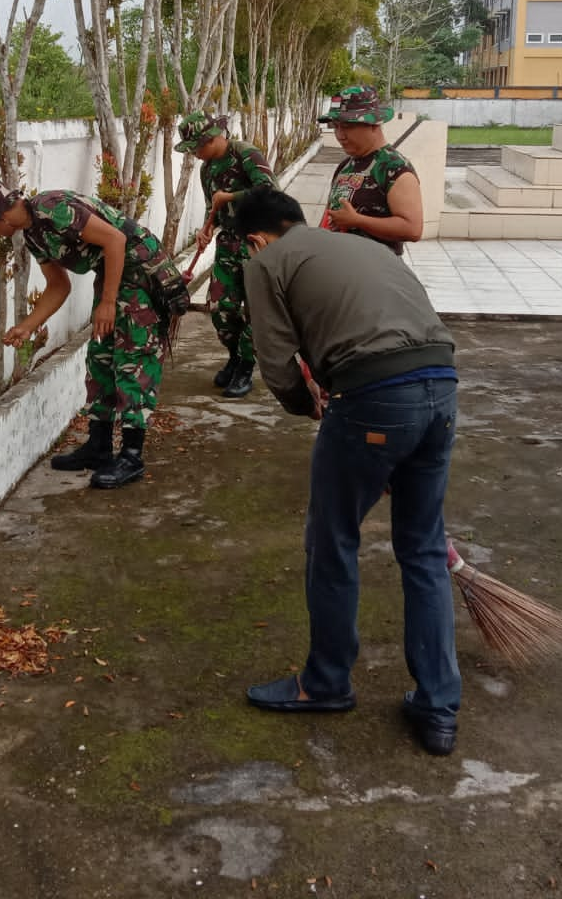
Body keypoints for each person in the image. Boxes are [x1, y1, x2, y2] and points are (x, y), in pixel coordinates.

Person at [234, 189, 462, 756]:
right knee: (424, 548)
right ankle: (438, 708)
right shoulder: (364, 247)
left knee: (332, 540)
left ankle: (326, 682)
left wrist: (303, 405)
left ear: (257, 237)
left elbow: (276, 360)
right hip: (442, 388)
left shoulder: (265, 262)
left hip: (375, 398)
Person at [0, 175, 188, 489]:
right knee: (101, 358)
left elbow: (115, 240)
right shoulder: (33, 235)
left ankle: (132, 455)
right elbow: (59, 286)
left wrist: (108, 303)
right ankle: (98, 446)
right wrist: (27, 327)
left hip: (140, 273)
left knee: (134, 361)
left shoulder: (52, 208)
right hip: (113, 276)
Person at [176, 110, 275, 398]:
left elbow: (269, 192)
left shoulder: (246, 154)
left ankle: (246, 366)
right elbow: (214, 209)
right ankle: (233, 356)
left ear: (213, 137)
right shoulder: (207, 170)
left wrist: (231, 196)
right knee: (220, 308)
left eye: (197, 146)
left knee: (257, 309)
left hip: (258, 242)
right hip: (228, 243)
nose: (195, 153)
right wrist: (206, 229)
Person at [319, 86, 424, 254]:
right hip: (340, 269)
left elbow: (412, 229)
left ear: (374, 124)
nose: (340, 135)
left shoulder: (396, 168)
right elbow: (329, 216)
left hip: (375, 273)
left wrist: (357, 221)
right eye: (336, 126)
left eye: (347, 126)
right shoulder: (346, 165)